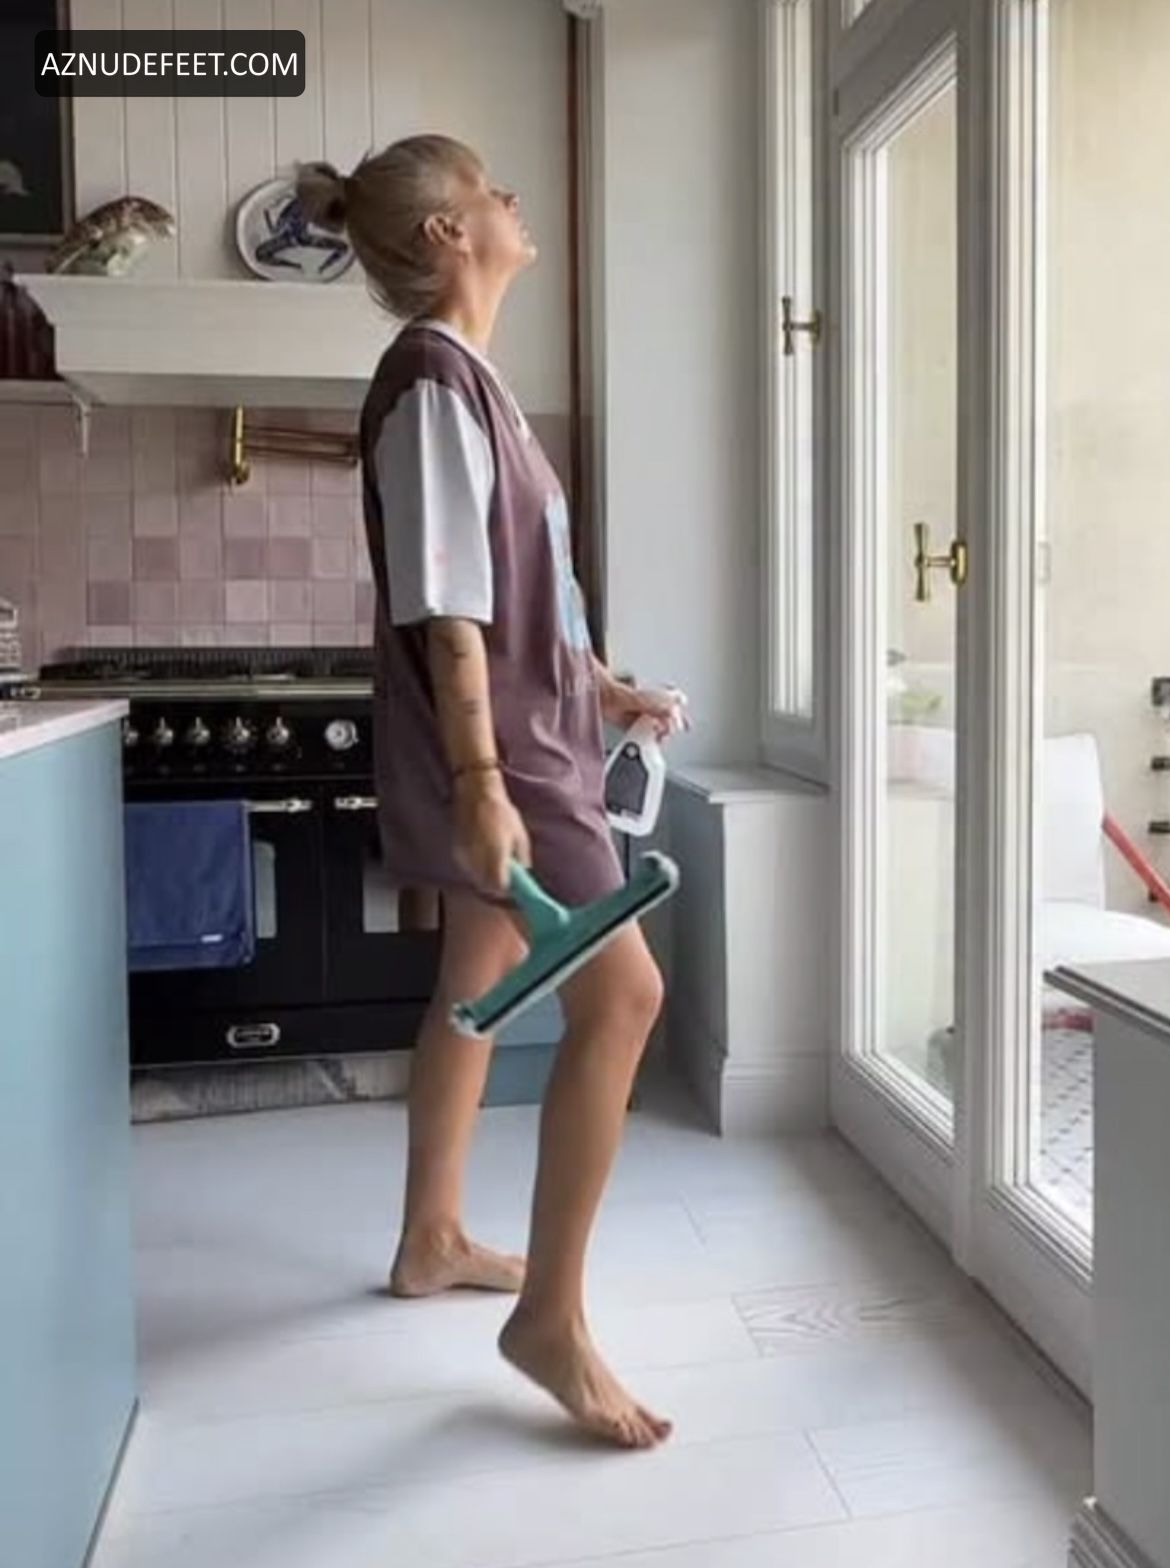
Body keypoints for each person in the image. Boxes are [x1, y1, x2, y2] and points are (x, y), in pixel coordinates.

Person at [298, 137, 677, 1449]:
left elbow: (524, 592)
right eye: (491, 191)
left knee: (479, 975)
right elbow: (449, 609)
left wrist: (603, 685)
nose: (514, 203)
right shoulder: (430, 385)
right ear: (449, 234)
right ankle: (550, 1320)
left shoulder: (471, 381)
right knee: (624, 997)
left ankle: (431, 1237)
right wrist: (480, 781)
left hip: (534, 732)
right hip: (509, 756)